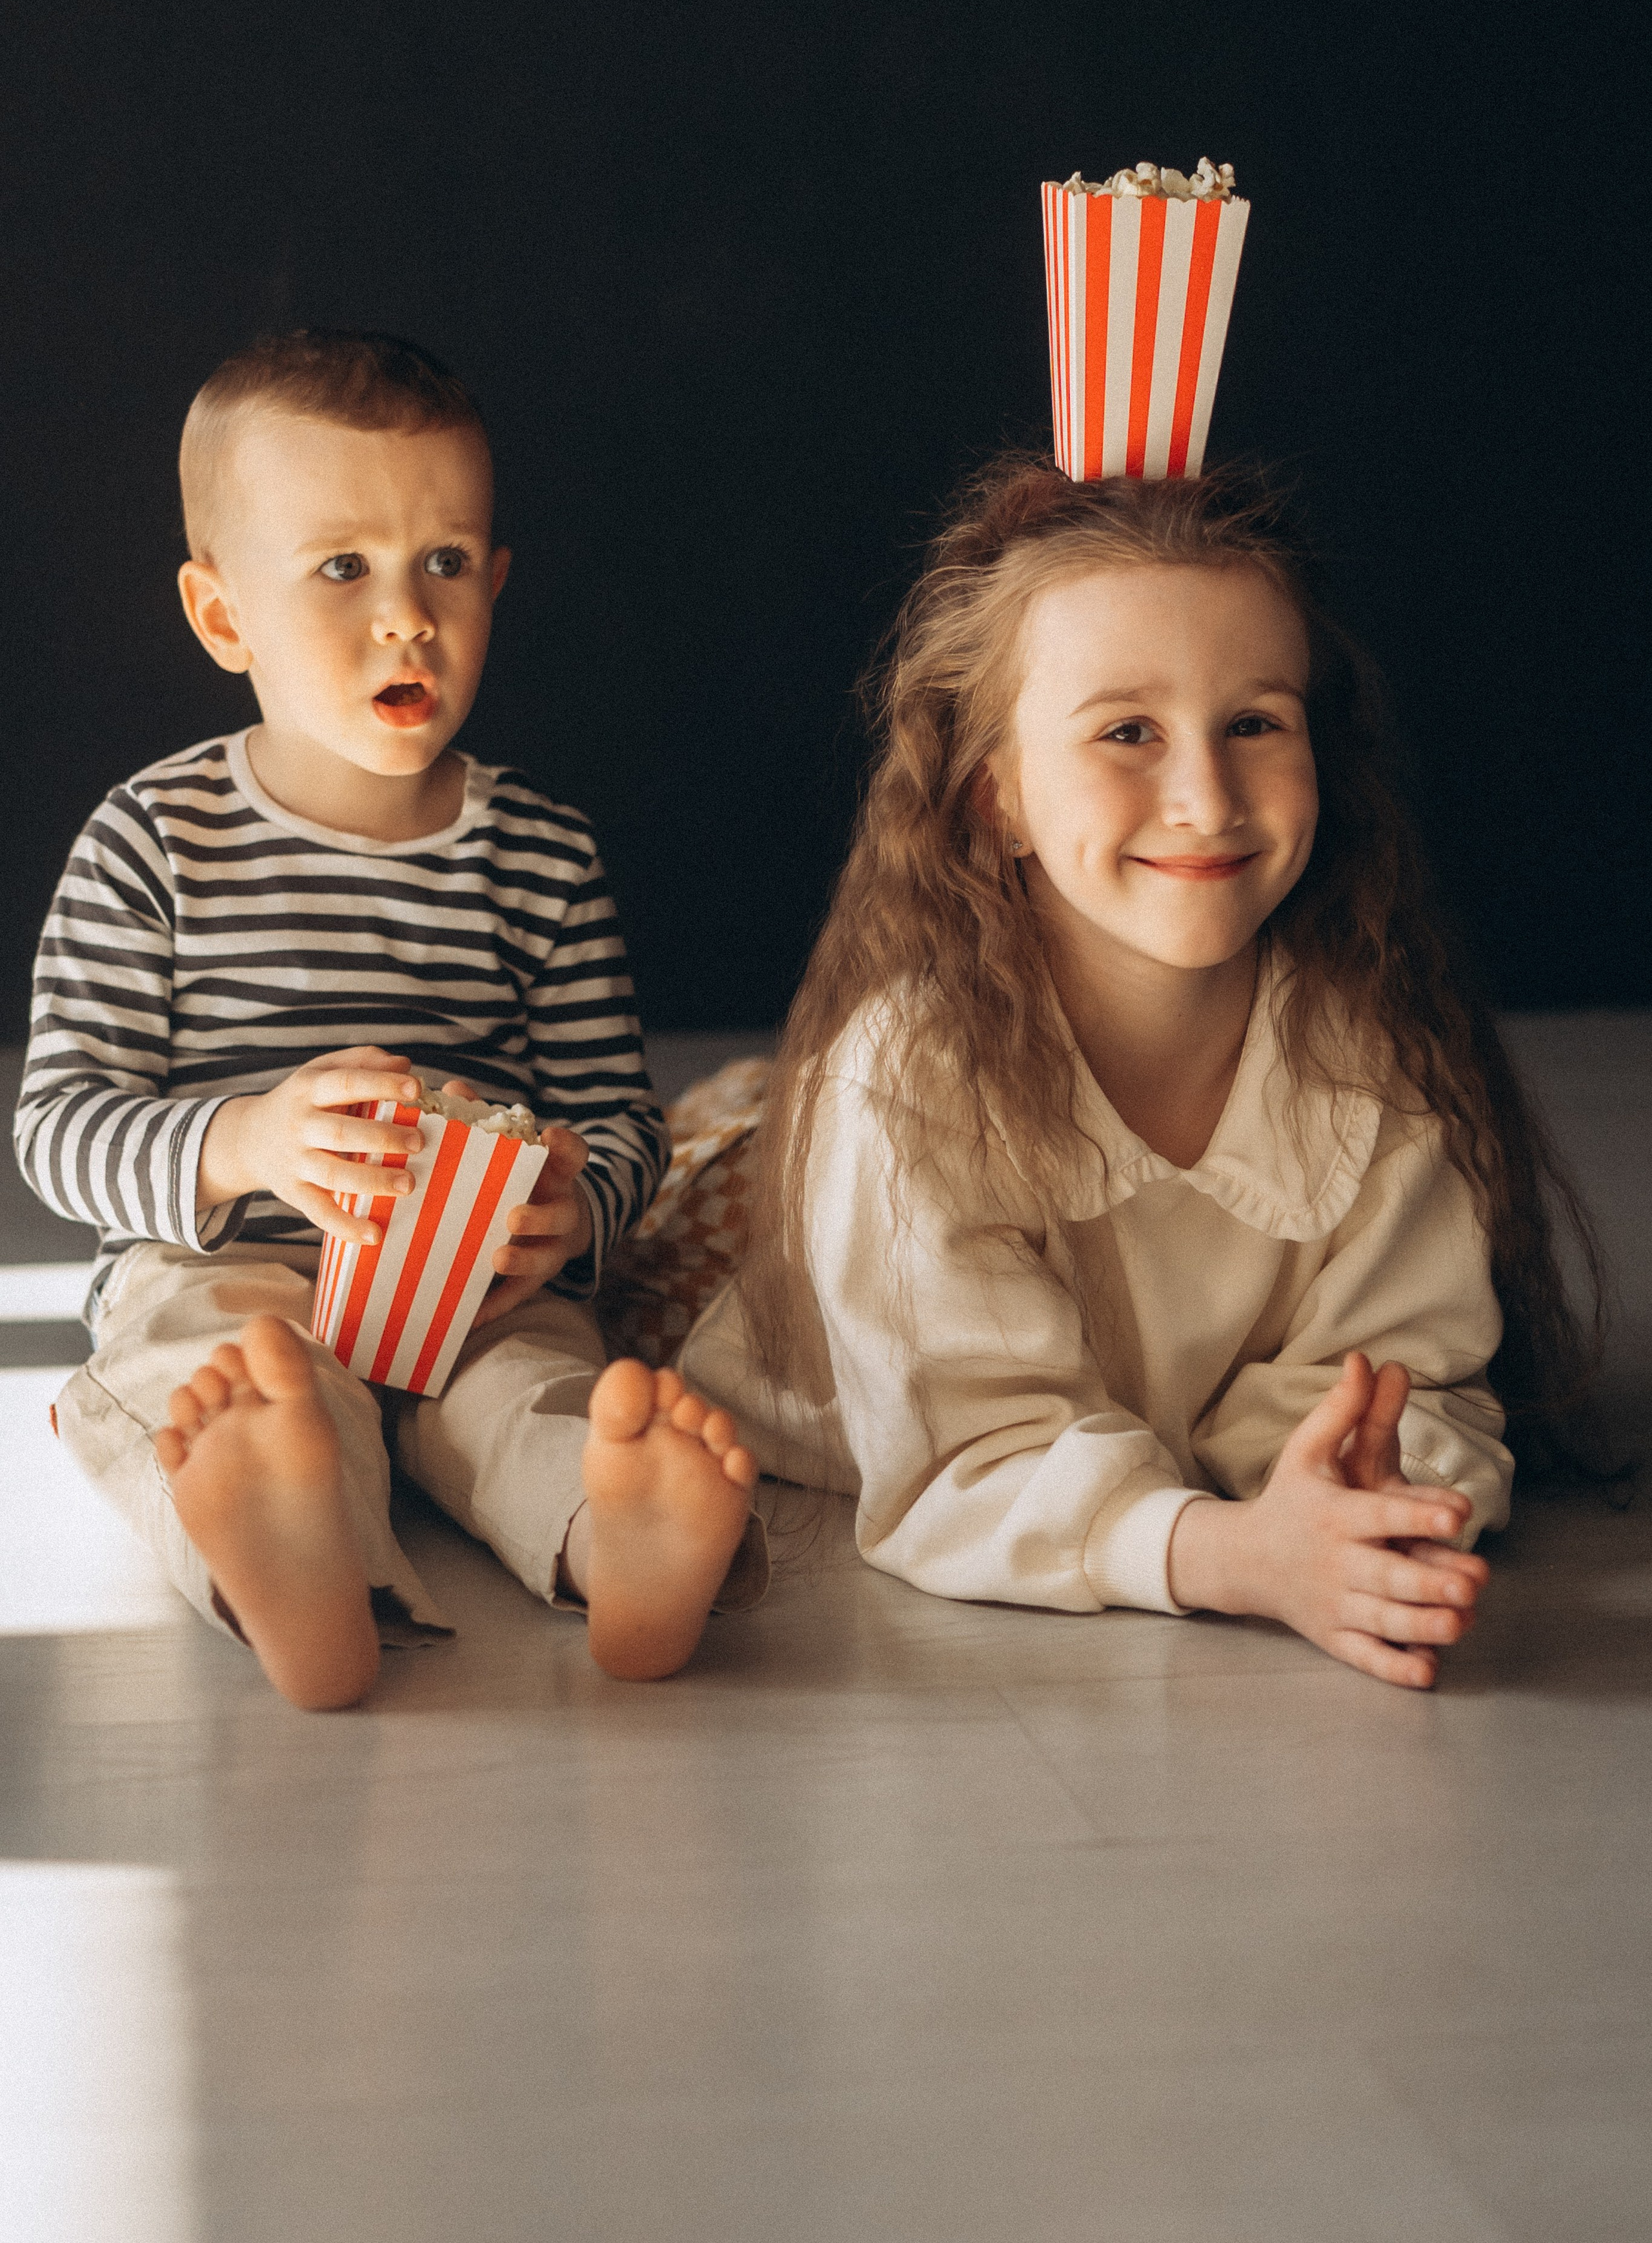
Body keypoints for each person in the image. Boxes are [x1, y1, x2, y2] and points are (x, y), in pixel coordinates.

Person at [682, 456, 1600, 1689]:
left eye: (1254, 724)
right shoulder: (903, 1085)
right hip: (734, 1232)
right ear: (993, 795)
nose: (1206, 796)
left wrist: (1359, 1485)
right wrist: (1229, 1553)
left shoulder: (1371, 1054)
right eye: (1127, 731)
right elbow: (965, 1459)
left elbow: (1414, 1366)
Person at [17, 329, 761, 1708]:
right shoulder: (152, 841)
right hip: (232, 1263)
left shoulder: (539, 852)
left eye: (446, 563)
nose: (406, 615)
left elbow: (617, 1113)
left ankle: (625, 1544)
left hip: (474, 1281)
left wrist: (572, 1206)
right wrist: (244, 1140)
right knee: (213, 1378)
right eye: (342, 568)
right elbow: (57, 1129)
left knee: (532, 1397)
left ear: (496, 582)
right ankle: (294, 1555)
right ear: (224, 613)